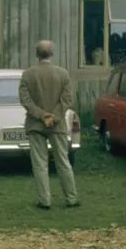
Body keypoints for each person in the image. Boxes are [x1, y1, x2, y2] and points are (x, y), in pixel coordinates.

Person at [18, 40, 79, 209]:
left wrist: (41, 115)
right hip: (57, 125)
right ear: (52, 54)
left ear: (36, 54)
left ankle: (44, 200)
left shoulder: (28, 74)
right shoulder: (63, 73)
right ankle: (71, 198)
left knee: (40, 164)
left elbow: (26, 100)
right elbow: (66, 100)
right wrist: (54, 117)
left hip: (35, 125)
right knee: (63, 162)